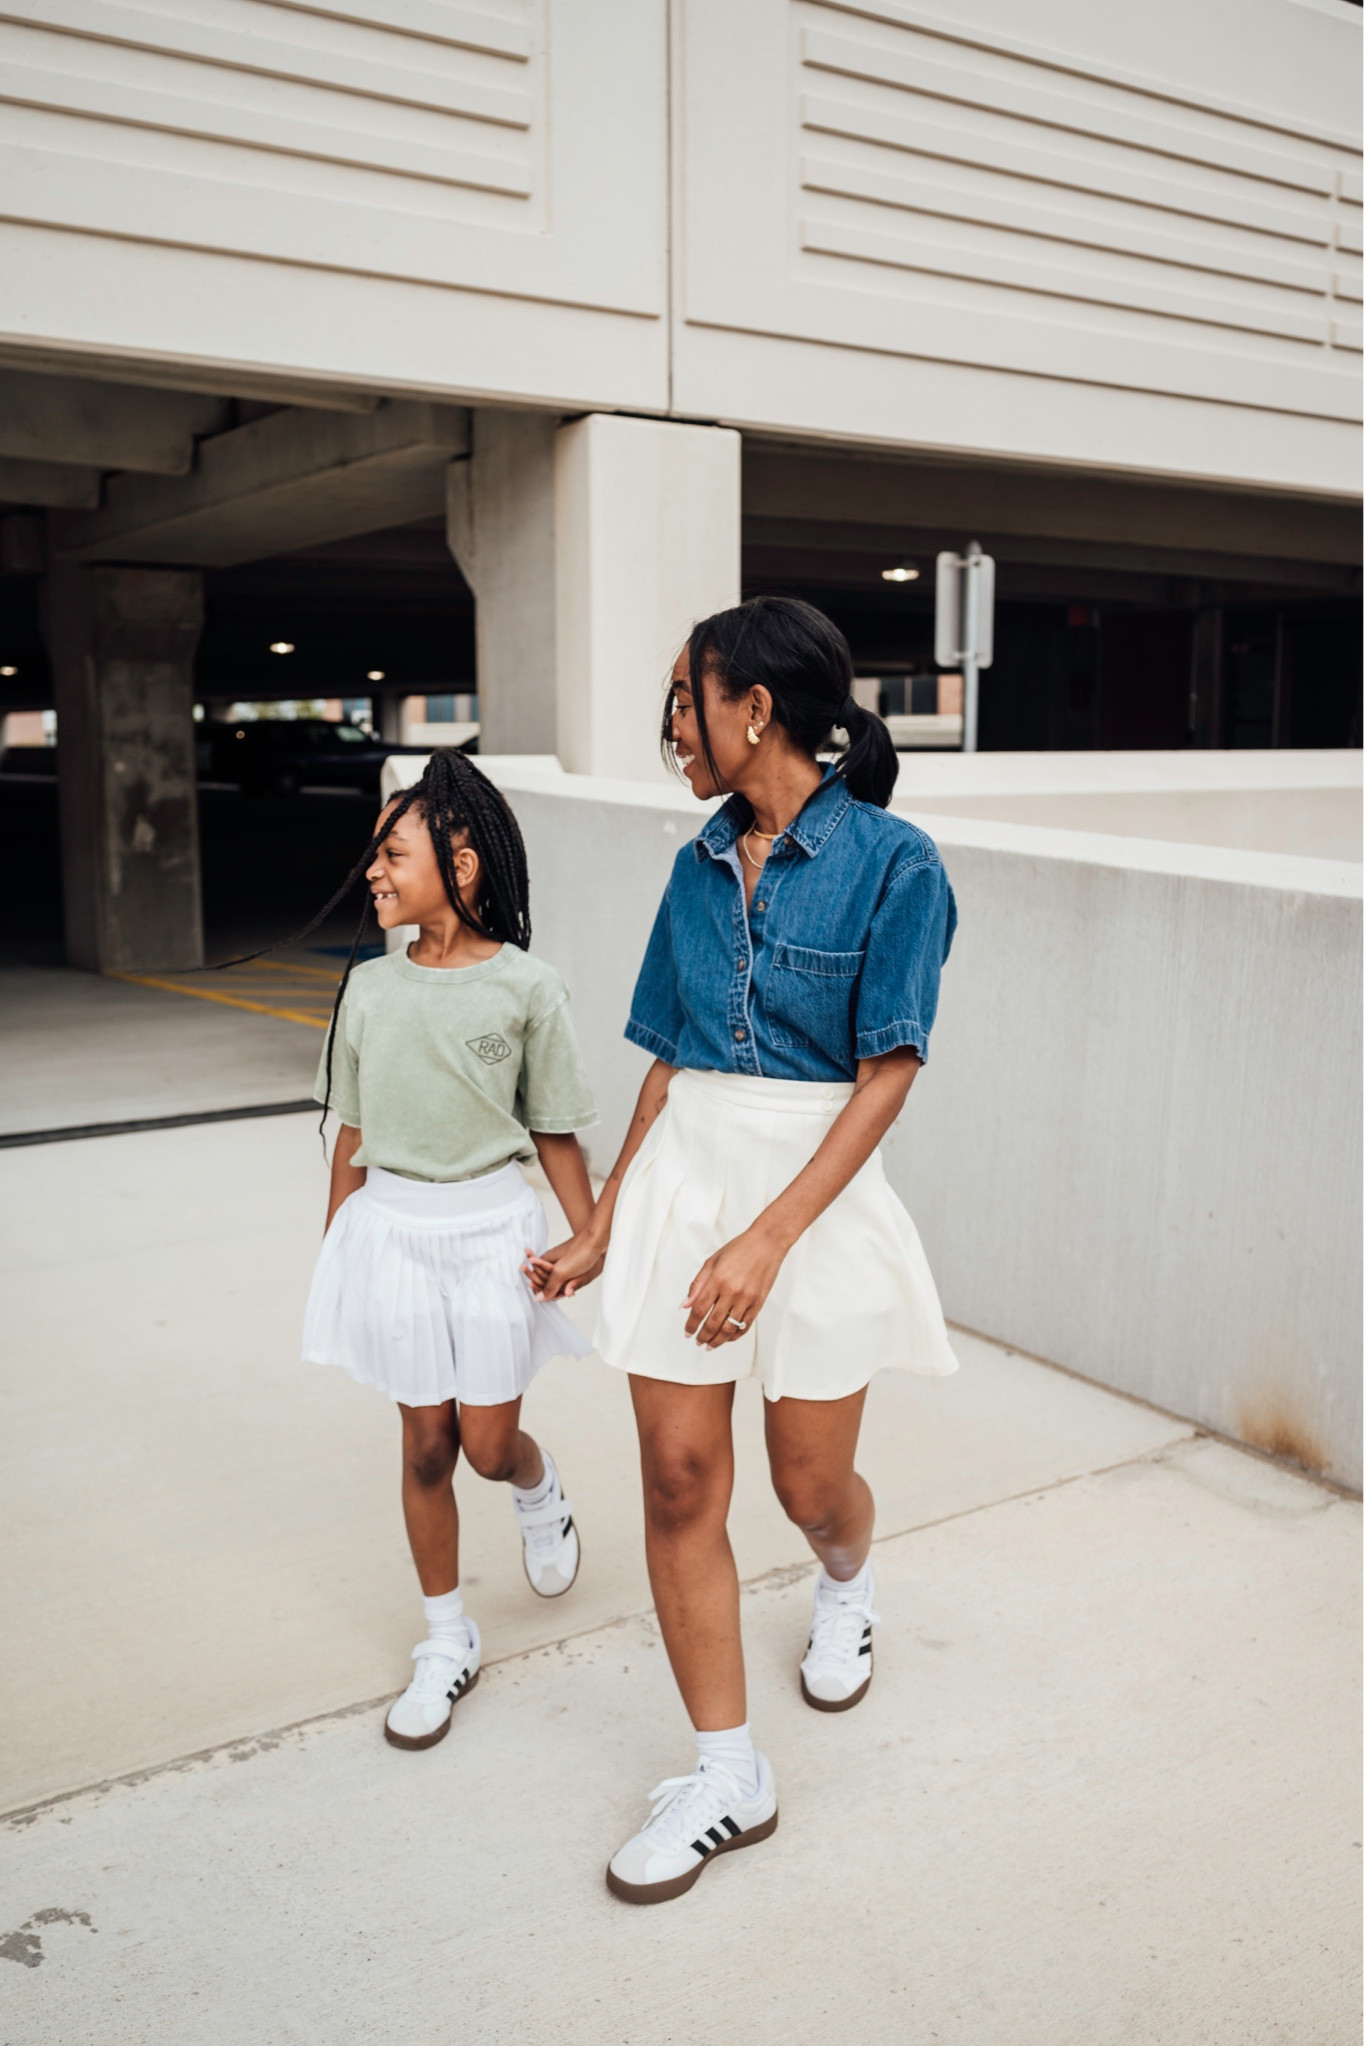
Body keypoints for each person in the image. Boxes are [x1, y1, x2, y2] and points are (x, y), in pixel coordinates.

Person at [529, 596, 958, 1905]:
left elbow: (888, 1073)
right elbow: (669, 1056)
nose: (671, 726)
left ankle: (849, 1578)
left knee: (810, 1483)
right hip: (685, 1177)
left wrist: (769, 1237)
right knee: (675, 1479)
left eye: (683, 698)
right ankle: (728, 1774)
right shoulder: (694, 865)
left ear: (754, 707)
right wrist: (606, 1218)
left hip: (812, 1191)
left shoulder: (896, 862)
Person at [302, 748, 598, 1753]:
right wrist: (337, 1243)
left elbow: (553, 1125)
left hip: (488, 1236)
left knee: (480, 1445)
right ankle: (445, 1639)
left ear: (460, 866)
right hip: (391, 1231)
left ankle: (535, 1485)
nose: (373, 873)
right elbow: (348, 1127)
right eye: (372, 856)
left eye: (393, 853)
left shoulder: (527, 988)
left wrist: (585, 1231)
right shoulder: (369, 991)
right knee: (424, 1443)